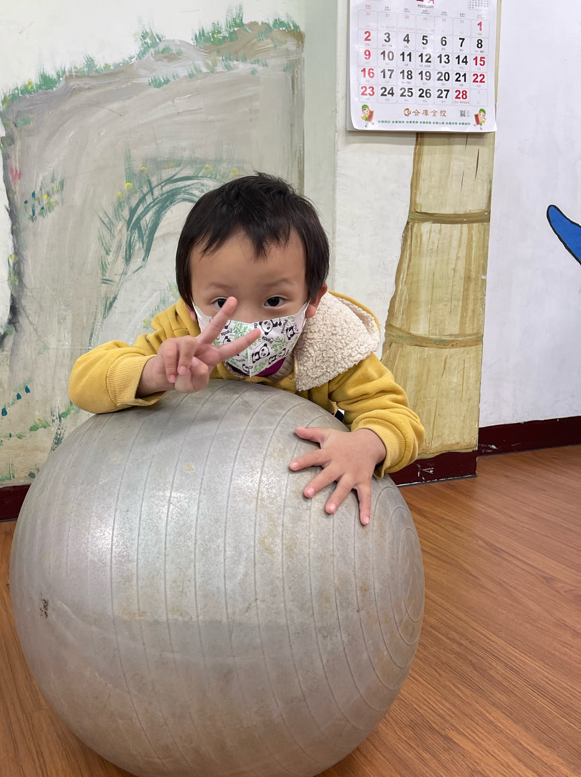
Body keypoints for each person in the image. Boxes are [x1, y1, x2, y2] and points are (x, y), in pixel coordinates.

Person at [70, 173, 424, 525]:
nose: (249, 325)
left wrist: (367, 444)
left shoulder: (334, 345)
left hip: (290, 505)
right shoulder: (183, 336)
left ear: (314, 299)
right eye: (221, 302)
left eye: (274, 300)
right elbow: (84, 382)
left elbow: (397, 418)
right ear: (190, 303)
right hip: (197, 490)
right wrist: (154, 373)